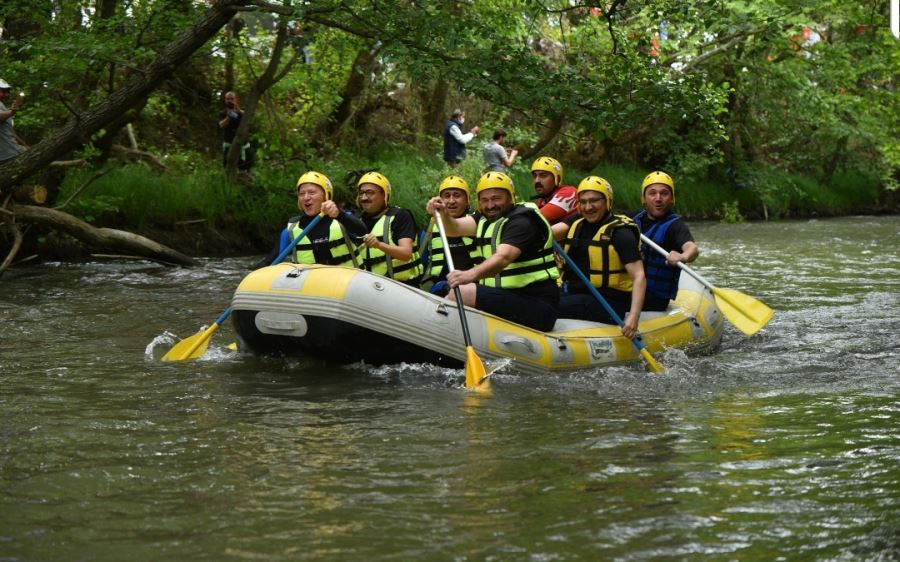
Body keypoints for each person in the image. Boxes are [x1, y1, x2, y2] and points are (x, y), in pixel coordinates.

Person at [427, 172, 560, 332]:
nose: (490, 205)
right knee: (449, 290)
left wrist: (468, 275)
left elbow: (503, 257)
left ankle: (438, 332)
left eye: (496, 198)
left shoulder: (523, 221)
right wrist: (442, 214)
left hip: (537, 306)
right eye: (485, 200)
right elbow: (453, 228)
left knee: (463, 292)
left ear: (511, 198)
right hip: (507, 298)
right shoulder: (484, 219)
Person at [551, 176, 646, 339]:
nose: (588, 207)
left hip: (607, 302)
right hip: (573, 292)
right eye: (583, 201)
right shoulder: (577, 224)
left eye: (595, 201)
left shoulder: (621, 232)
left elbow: (639, 276)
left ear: (608, 201)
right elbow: (548, 234)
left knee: (548, 307)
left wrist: (634, 317)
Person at [269, 171, 367, 267]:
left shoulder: (342, 219)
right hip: (311, 282)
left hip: (346, 281)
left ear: (326, 195)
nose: (306, 197)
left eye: (312, 192)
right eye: (302, 194)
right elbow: (272, 261)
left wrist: (340, 214)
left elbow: (362, 231)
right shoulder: (291, 229)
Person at [633, 171, 699, 311]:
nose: (658, 198)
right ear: (644, 198)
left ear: (671, 198)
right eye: (652, 193)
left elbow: (692, 248)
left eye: (664, 193)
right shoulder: (632, 220)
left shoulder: (675, 225)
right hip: (628, 287)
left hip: (654, 297)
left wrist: (682, 256)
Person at [356, 171, 423, 284]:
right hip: (370, 286)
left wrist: (378, 245)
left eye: (369, 193)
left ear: (384, 195)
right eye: (361, 193)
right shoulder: (358, 220)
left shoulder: (401, 216)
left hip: (401, 286)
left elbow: (406, 254)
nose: (364, 197)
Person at [420, 175, 479, 293]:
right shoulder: (429, 230)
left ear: (467, 201)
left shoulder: (478, 224)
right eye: (447, 196)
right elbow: (421, 264)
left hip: (471, 288)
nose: (451, 201)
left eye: (457, 195)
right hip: (437, 289)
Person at [530, 156, 577, 224]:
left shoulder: (569, 193)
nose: (537, 180)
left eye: (543, 175)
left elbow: (534, 219)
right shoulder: (541, 202)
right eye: (535, 176)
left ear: (557, 178)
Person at [218, 91, 253, 170]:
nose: (230, 101)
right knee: (228, 165)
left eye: (232, 99)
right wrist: (228, 117)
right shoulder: (223, 113)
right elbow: (221, 125)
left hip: (242, 144)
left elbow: (249, 119)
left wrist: (239, 111)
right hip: (229, 143)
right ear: (225, 100)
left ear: (236, 99)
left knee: (246, 165)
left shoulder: (242, 112)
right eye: (227, 99)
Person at [0, 79, 26, 163]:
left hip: (12, 151)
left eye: (8, 91)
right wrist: (11, 112)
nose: (6, 94)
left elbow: (11, 133)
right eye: (3, 91)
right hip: (7, 156)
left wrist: (24, 145)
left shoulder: (2, 106)